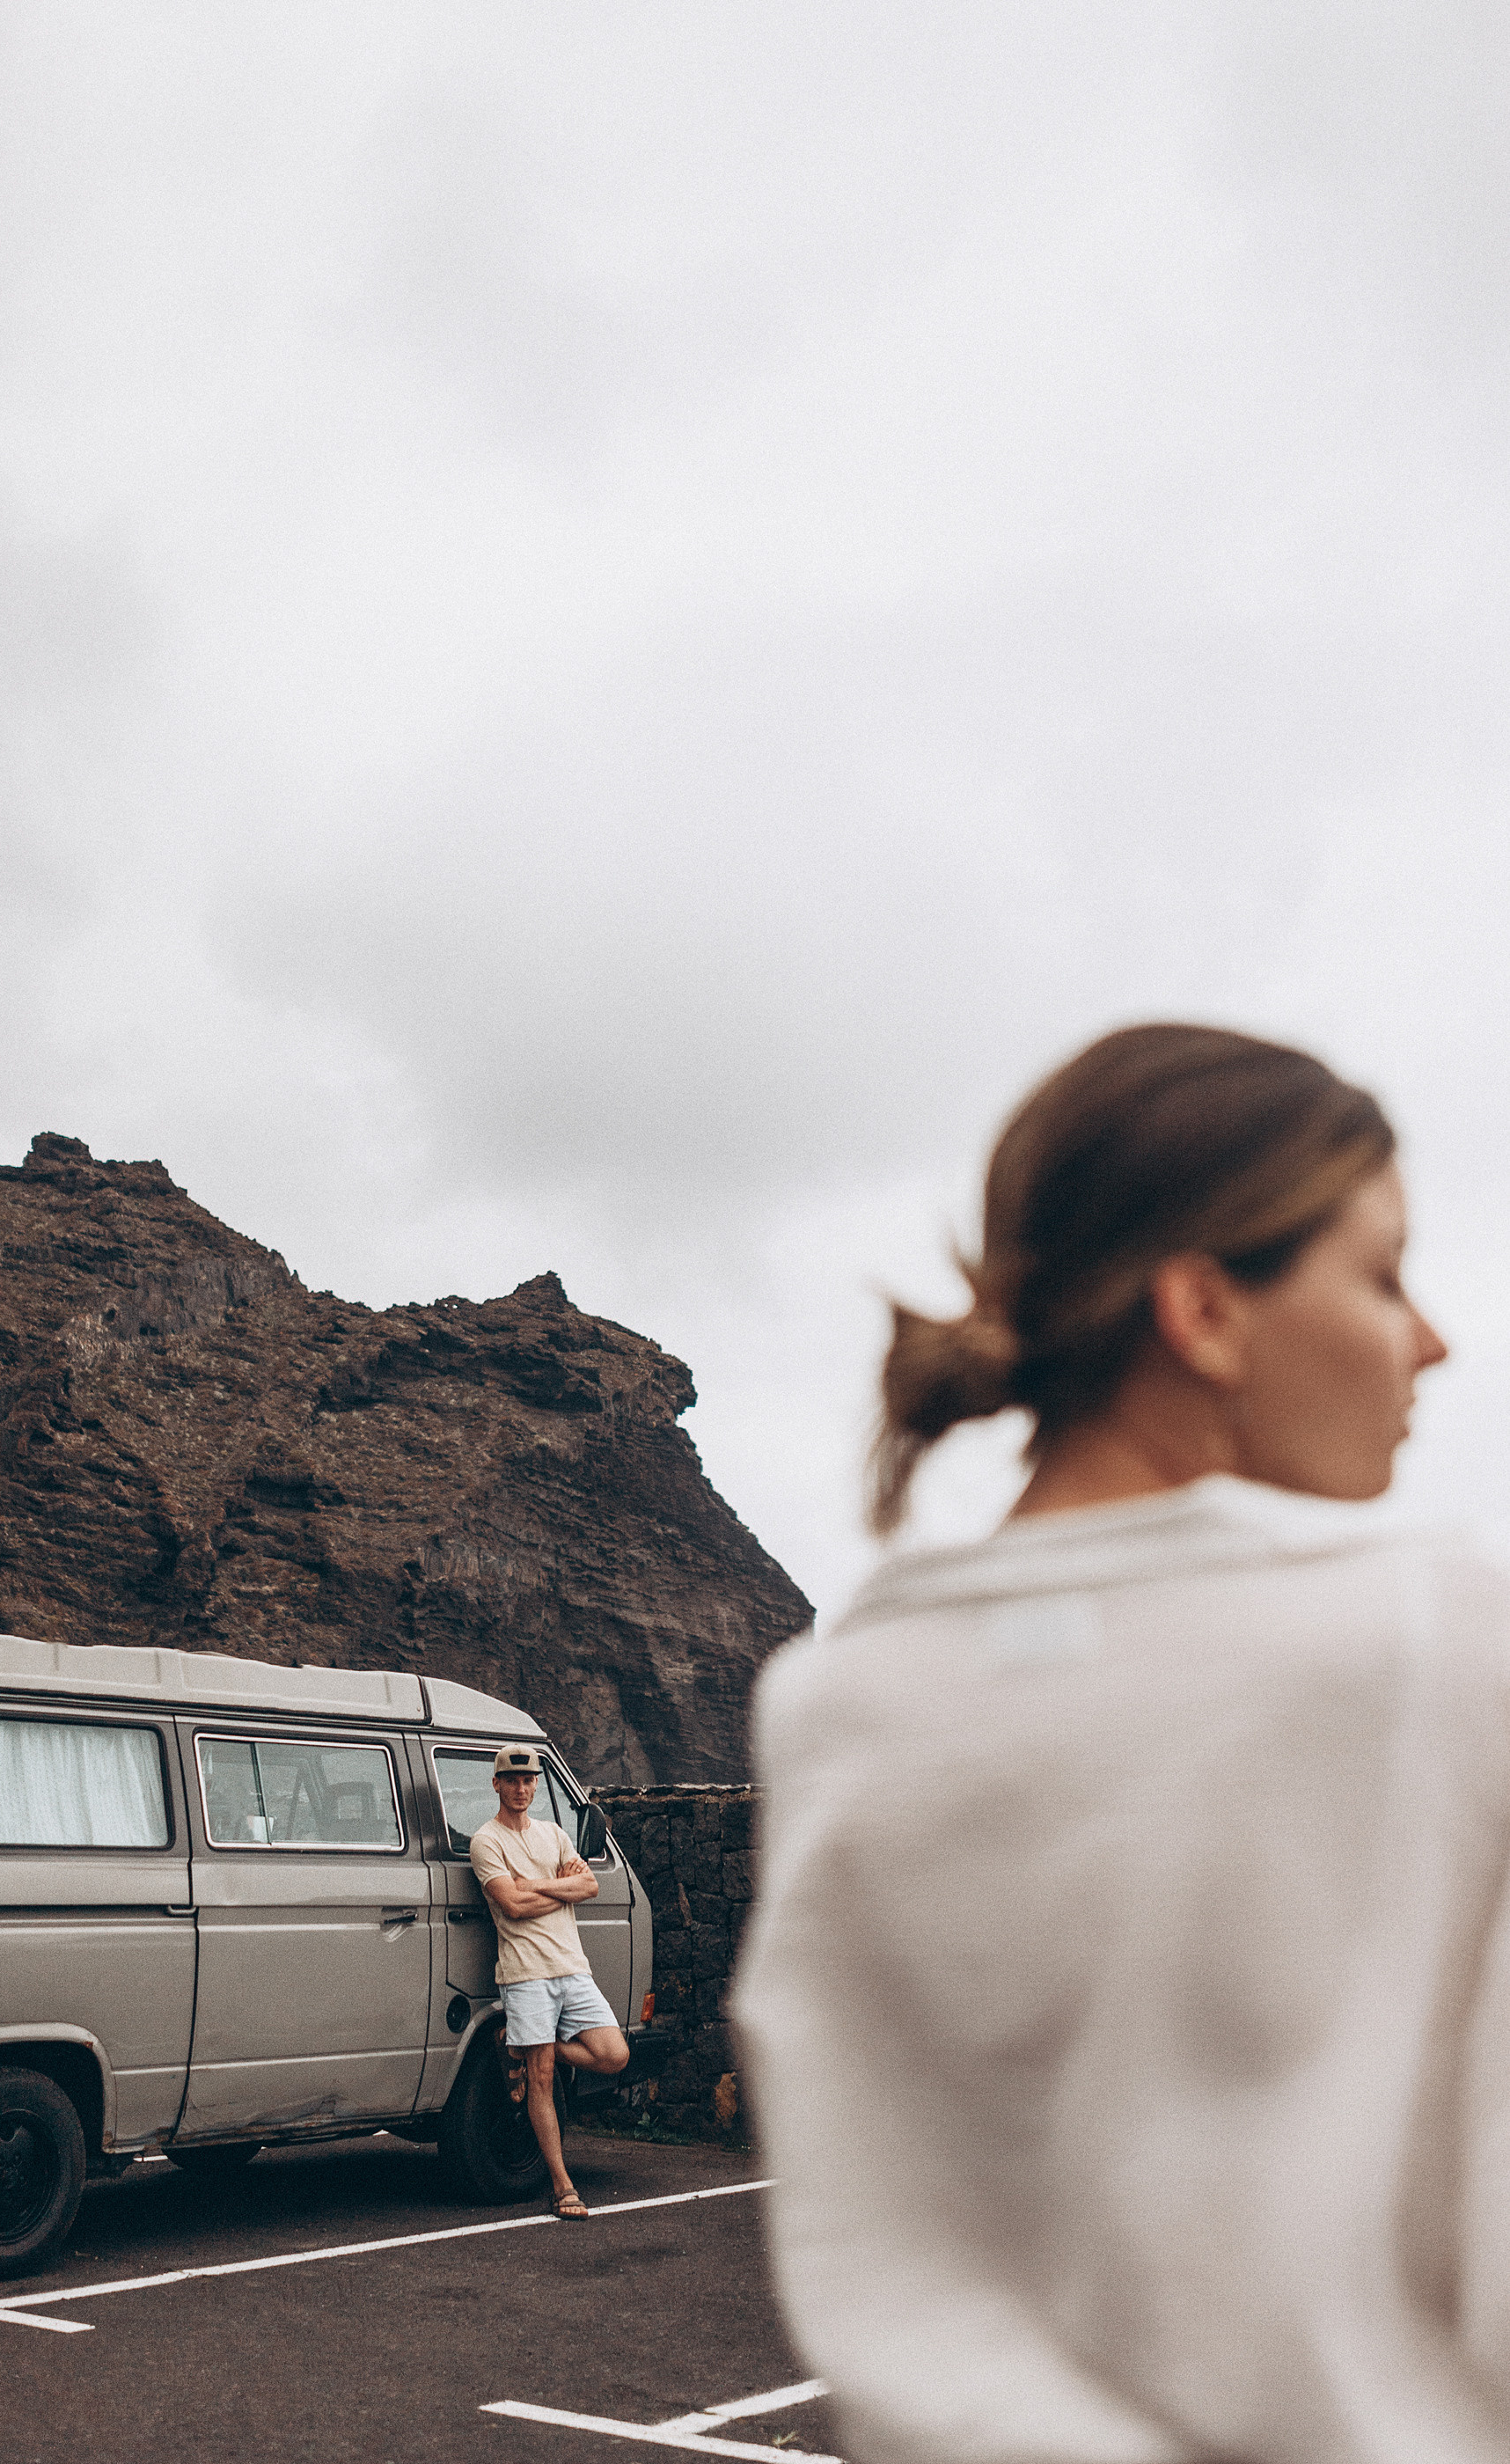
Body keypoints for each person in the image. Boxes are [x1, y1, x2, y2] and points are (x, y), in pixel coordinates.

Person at [731, 1021, 1510, 2464]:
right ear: (1203, 1311)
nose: (1432, 1339)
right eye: (1381, 1274)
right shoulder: (1437, 1649)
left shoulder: (831, 1706)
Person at [470, 1742, 629, 2218]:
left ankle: (517, 2045)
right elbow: (511, 1906)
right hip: (526, 1973)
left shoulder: (554, 1834)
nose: (521, 1788)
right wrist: (561, 1892)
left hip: (571, 1967)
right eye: (512, 1780)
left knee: (614, 2054)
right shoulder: (487, 1841)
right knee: (541, 2080)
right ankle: (563, 2186)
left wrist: (535, 1884)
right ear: (496, 1784)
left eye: (529, 1780)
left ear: (537, 1785)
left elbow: (591, 1886)